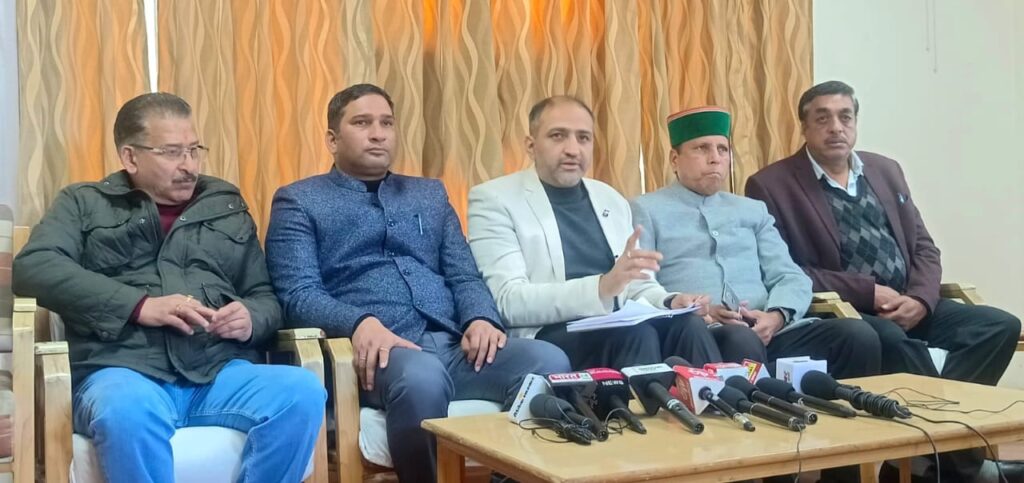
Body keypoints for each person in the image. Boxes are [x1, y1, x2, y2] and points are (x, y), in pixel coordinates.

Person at [12, 93, 325, 483]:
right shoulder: (83, 202)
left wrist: (250, 318)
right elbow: (34, 267)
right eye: (173, 153)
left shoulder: (224, 205)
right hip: (123, 371)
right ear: (130, 157)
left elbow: (264, 296)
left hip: (217, 373)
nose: (189, 165)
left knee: (301, 392)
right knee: (125, 411)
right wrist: (139, 305)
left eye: (194, 150)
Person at [265, 84, 570, 483]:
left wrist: (480, 318)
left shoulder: (429, 194)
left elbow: (463, 274)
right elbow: (298, 295)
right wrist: (358, 323)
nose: (378, 134)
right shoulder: (299, 200)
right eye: (363, 123)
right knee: (422, 377)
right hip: (375, 354)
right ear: (332, 140)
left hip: (452, 345)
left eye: (387, 123)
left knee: (548, 361)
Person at [745, 80, 1021, 482]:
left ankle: (930, 458)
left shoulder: (885, 170)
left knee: (999, 326)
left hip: (910, 302)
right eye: (822, 118)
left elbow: (924, 247)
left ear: (856, 122)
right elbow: (790, 269)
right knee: (889, 342)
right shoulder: (772, 184)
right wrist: (868, 292)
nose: (836, 127)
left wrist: (921, 300)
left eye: (845, 117)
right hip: (845, 311)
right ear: (803, 127)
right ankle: (950, 463)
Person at [467, 95, 738, 371]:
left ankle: (718, 397)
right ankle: (638, 402)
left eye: (584, 138)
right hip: (549, 333)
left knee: (688, 324)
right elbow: (508, 301)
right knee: (636, 334)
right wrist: (600, 288)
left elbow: (634, 286)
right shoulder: (495, 199)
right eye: (558, 136)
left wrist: (670, 300)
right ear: (531, 145)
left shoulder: (609, 198)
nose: (573, 149)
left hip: (619, 323)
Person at [632, 106, 882, 380]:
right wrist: (699, 311)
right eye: (702, 149)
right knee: (740, 339)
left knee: (857, 336)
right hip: (704, 337)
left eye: (722, 149)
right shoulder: (647, 210)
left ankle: (842, 409)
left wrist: (775, 317)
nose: (715, 159)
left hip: (771, 332)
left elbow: (790, 276)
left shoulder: (752, 210)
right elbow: (640, 287)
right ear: (674, 159)